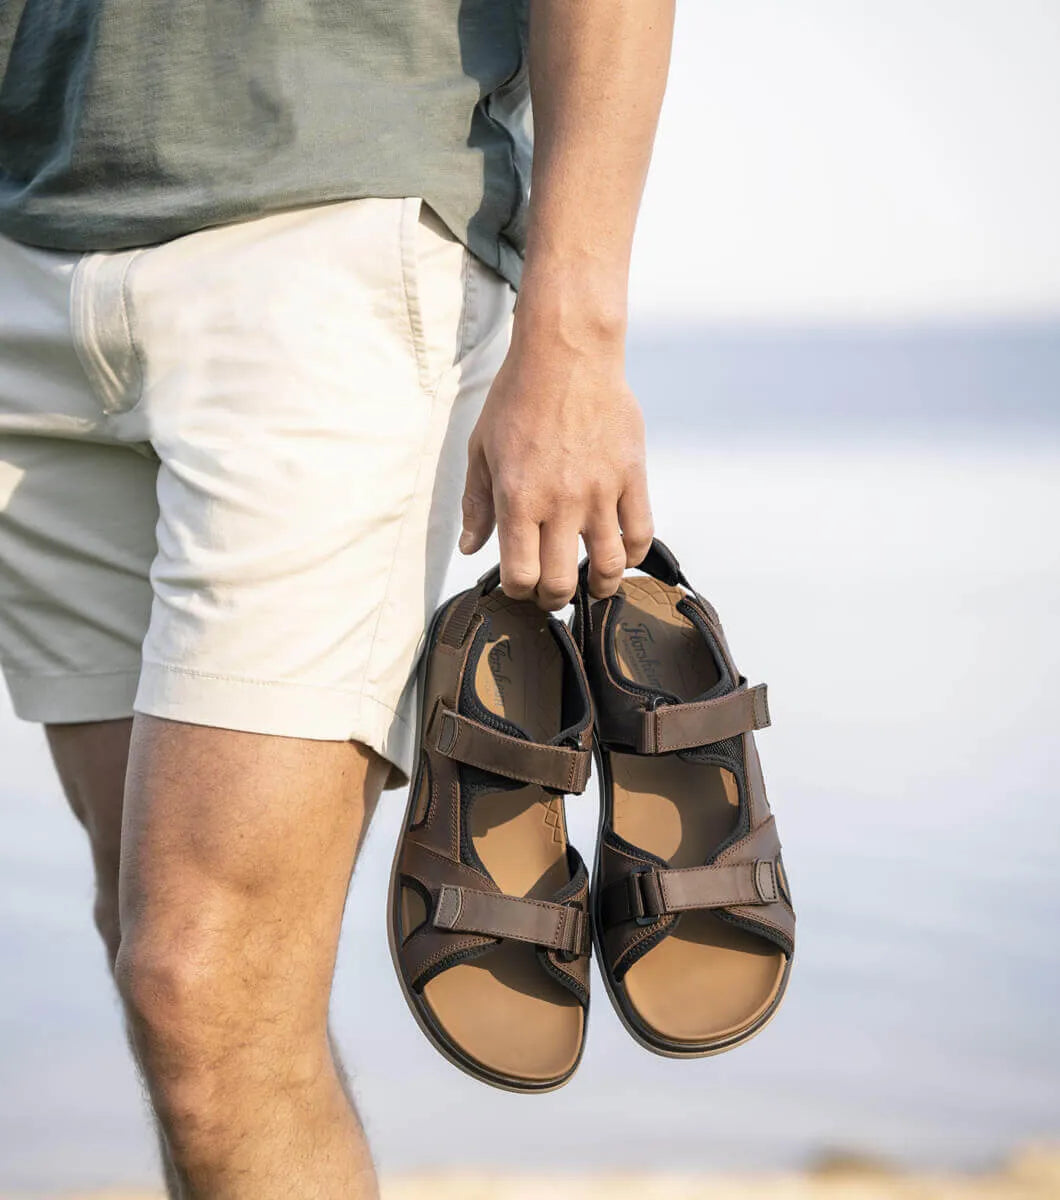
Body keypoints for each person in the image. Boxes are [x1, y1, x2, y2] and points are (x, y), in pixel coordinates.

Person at [0, 1, 672, 1194]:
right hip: (24, 254)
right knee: (153, 954)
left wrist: (576, 332)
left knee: (203, 989)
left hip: (327, 231)